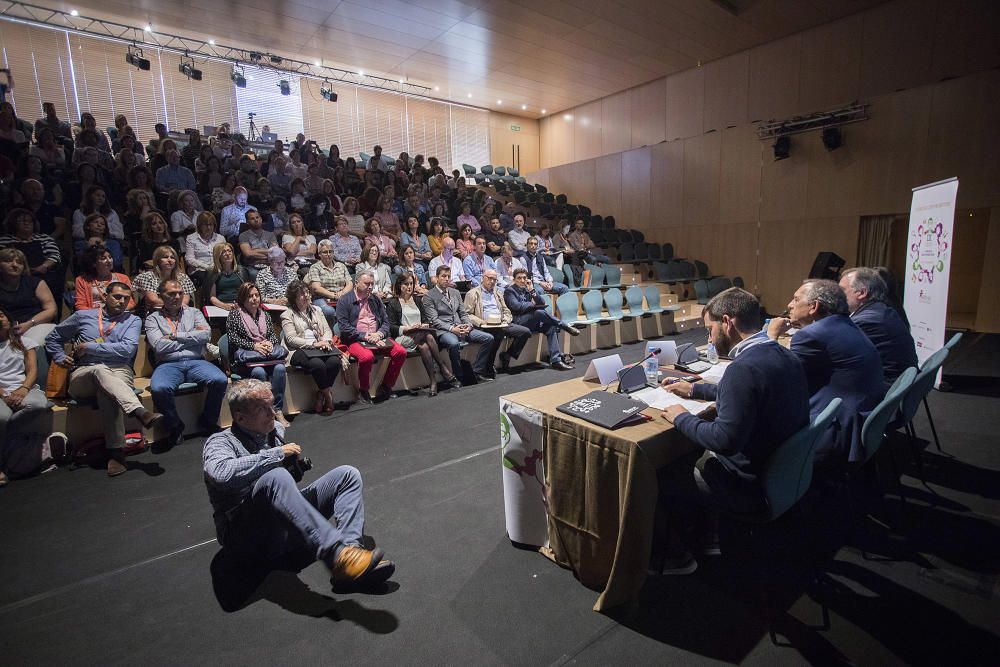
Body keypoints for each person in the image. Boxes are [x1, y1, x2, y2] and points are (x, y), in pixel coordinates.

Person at [654, 287, 810, 573]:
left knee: (662, 471)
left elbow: (724, 440)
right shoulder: (782, 354)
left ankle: (677, 557)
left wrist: (679, 417)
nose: (709, 339)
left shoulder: (744, 368)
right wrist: (696, 389)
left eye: (709, 330)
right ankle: (710, 535)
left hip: (748, 484)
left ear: (727, 322)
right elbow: (751, 391)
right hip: (781, 472)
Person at [203, 378, 395, 590]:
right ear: (240, 417)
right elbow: (220, 473)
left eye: (272, 405)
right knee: (276, 477)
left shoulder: (273, 431)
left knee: (347, 475)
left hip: (280, 531)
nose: (272, 413)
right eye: (262, 409)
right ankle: (335, 553)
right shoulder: (221, 442)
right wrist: (275, 455)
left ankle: (349, 558)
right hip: (247, 542)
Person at [45, 282, 163, 476]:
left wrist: (88, 347)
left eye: (126, 298)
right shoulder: (83, 316)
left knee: (107, 392)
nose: (122, 301)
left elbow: (127, 349)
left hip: (119, 371)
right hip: (83, 374)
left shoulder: (132, 320)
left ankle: (116, 454)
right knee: (99, 370)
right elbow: (53, 338)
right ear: (104, 297)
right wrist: (59, 357)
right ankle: (140, 412)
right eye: (117, 296)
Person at [767, 279, 884, 468]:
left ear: (814, 307)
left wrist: (771, 336)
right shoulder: (844, 324)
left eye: (796, 300)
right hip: (860, 417)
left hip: (833, 428)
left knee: (758, 418)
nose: (789, 304)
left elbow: (771, 377)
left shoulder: (812, 335)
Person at [146, 279, 228, 448]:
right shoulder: (152, 319)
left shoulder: (195, 313)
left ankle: (208, 421)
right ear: (161, 296)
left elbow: (205, 336)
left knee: (220, 380)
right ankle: (175, 426)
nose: (177, 297)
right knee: (159, 389)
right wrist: (191, 337)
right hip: (168, 364)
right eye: (171, 294)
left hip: (196, 361)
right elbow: (159, 346)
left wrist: (175, 336)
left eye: (180, 293)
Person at [335, 270, 407, 404]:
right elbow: (344, 328)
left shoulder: (375, 299)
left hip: (377, 337)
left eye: (372, 284)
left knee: (400, 352)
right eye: (366, 283)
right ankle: (364, 390)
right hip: (356, 339)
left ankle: (386, 385)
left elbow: (386, 322)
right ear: (356, 283)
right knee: (367, 357)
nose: (369, 287)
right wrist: (366, 336)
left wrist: (379, 334)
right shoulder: (344, 301)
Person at [0, 306, 53, 486]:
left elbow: (32, 369)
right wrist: (5, 395)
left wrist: (23, 389)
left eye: (2, 315)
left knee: (38, 404)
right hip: (1, 393)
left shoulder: (25, 342)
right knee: (2, 416)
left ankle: (7, 438)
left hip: (25, 388)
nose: (1, 319)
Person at [839, 267, 917, 388]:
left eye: (842, 290)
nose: (837, 295)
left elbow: (835, 357)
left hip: (884, 388)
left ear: (862, 293)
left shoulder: (866, 322)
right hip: (899, 381)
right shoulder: (882, 310)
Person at [280, 281, 346, 414]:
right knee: (318, 364)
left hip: (320, 347)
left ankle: (321, 393)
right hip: (298, 350)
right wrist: (314, 344)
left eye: (307, 292)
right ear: (294, 298)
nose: (306, 296)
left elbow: (327, 330)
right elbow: (291, 339)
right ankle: (328, 396)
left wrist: (326, 341)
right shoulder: (287, 314)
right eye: (301, 294)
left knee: (334, 362)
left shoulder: (317, 310)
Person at [226, 283, 287, 423]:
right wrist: (254, 346)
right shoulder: (234, 315)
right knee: (258, 372)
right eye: (250, 296)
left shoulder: (264, 314)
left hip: (266, 356)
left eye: (256, 295)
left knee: (279, 368)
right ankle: (262, 410)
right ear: (243, 298)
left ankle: (276, 409)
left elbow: (272, 335)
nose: (254, 299)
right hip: (245, 359)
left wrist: (269, 343)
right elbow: (233, 339)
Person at [422, 265, 495, 383]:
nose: (446, 279)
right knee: (454, 343)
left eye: (448, 276)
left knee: (489, 338)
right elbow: (434, 320)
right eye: (443, 276)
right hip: (444, 330)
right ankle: (458, 376)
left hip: (461, 327)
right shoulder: (429, 296)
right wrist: (452, 328)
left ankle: (477, 371)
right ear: (437, 277)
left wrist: (468, 325)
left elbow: (463, 313)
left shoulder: (455, 292)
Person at [386, 273, 454, 396]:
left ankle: (433, 382)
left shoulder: (417, 300)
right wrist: (408, 328)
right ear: (399, 285)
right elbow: (391, 326)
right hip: (404, 337)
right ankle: (442, 367)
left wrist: (424, 325)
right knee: (426, 336)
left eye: (411, 284)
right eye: (406, 284)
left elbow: (426, 319)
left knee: (424, 345)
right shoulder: (393, 303)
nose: (409, 287)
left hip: (420, 335)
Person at [504, 268, 578, 371]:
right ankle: (563, 325)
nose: (522, 280)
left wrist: (532, 290)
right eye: (519, 278)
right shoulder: (509, 291)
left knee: (551, 326)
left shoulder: (528, 289)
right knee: (538, 312)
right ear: (514, 279)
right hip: (518, 322)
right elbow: (517, 307)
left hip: (532, 321)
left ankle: (556, 361)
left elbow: (541, 302)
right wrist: (532, 304)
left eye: (524, 278)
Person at [464, 269, 532, 375]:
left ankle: (508, 355)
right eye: (489, 278)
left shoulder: (498, 292)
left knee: (525, 332)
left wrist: (506, 319)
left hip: (501, 323)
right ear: (482, 278)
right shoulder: (472, 294)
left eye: (494, 280)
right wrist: (481, 322)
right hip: (484, 325)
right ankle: (488, 366)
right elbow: (467, 314)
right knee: (497, 334)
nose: (492, 281)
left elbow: (506, 310)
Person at [0, 248, 57, 348]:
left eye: (19, 262)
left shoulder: (35, 283)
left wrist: (30, 323)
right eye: (8, 261)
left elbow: (51, 310)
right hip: (4, 329)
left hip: (35, 325)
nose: (14, 265)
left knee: (30, 344)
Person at [134, 245, 196, 313]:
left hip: (179, 313)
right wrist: (176, 304)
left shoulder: (184, 278)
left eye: (172, 258)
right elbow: (153, 300)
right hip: (155, 313)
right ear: (157, 260)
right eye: (165, 257)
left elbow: (185, 301)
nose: (169, 260)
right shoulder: (147, 277)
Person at [73, 245, 136, 311]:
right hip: (93, 317)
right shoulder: (81, 280)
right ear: (93, 263)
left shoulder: (123, 278)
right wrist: (99, 315)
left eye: (110, 257)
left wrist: (117, 311)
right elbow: (80, 305)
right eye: (103, 258)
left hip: (118, 315)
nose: (109, 261)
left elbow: (130, 302)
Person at [305, 239, 353, 325]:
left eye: (330, 251)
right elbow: (316, 288)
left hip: (342, 296)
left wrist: (342, 293)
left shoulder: (341, 266)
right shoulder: (315, 267)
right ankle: (332, 334)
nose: (328, 254)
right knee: (328, 311)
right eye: (325, 252)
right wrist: (334, 296)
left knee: (354, 307)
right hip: (321, 298)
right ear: (319, 254)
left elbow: (350, 283)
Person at [203, 243, 249, 312]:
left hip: (239, 306)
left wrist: (240, 304)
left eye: (229, 251)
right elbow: (212, 297)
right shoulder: (212, 273)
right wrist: (225, 306)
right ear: (217, 255)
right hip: (220, 307)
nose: (227, 254)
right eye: (223, 252)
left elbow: (247, 292)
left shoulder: (242, 271)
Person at [185, 211, 225, 285]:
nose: (209, 227)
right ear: (199, 226)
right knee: (209, 277)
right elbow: (189, 259)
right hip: (199, 270)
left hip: (217, 269)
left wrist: (217, 266)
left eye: (211, 224)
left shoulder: (220, 238)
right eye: (205, 225)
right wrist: (207, 267)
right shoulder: (191, 238)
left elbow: (224, 255)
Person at [238, 209, 278, 278]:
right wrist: (269, 253)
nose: (256, 220)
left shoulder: (270, 235)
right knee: (255, 274)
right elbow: (248, 254)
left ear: (261, 219)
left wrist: (255, 250)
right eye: (252, 218)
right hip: (253, 267)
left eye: (257, 217)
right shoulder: (243, 235)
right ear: (247, 222)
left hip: (270, 265)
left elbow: (276, 252)